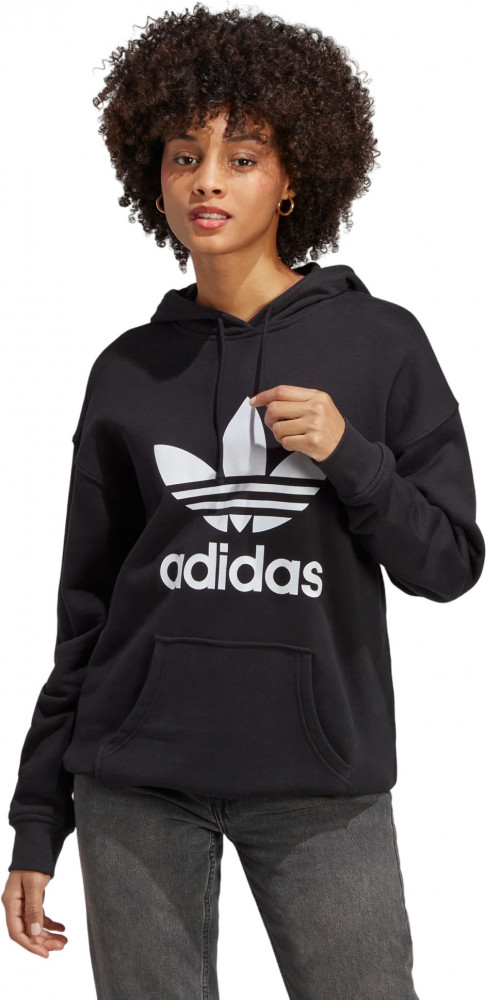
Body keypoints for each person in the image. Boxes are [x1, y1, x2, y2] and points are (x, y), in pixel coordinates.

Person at [3, 5, 484, 998]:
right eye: (185, 156)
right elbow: (86, 612)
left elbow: (447, 563)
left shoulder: (381, 345)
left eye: (243, 156)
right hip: (134, 783)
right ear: (154, 176)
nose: (208, 181)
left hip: (321, 783)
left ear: (295, 176)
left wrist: (350, 455)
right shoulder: (127, 371)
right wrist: (38, 817)